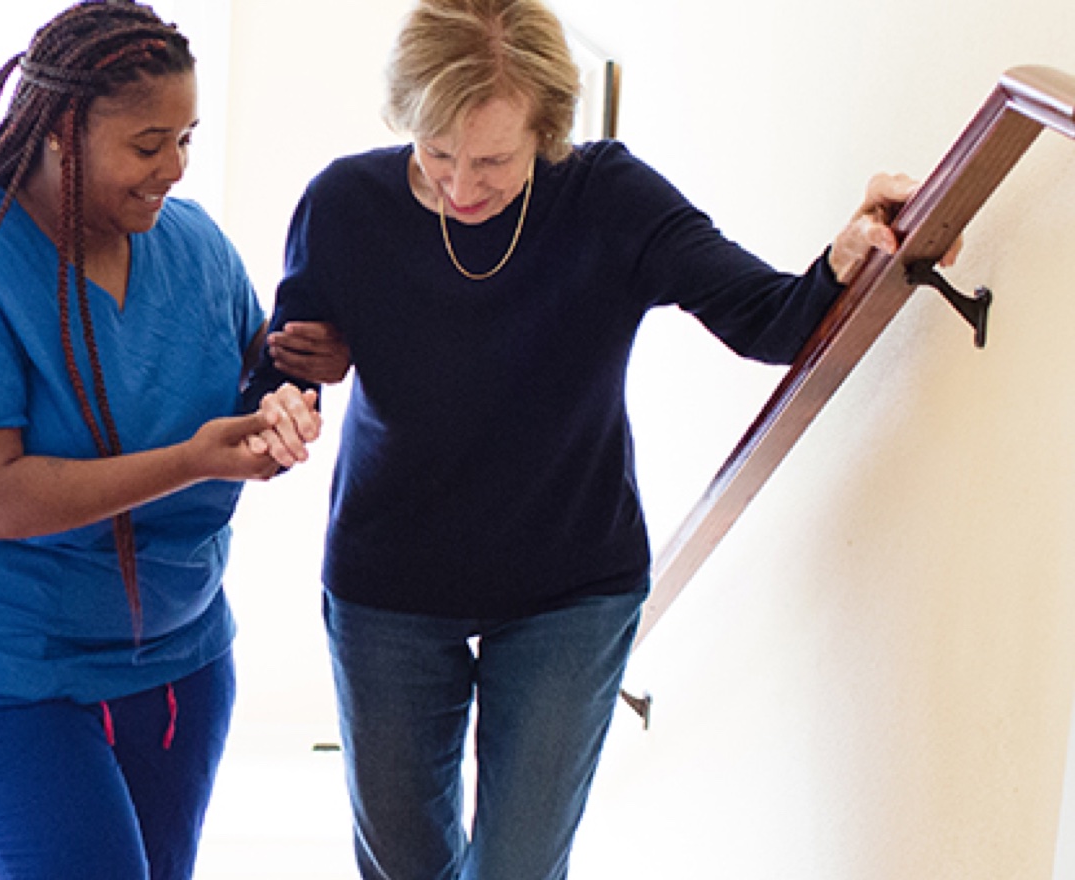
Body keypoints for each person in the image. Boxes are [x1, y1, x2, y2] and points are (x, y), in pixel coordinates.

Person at [243, 0, 957, 877]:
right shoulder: (346, 203)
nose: (463, 187)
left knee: (517, 867)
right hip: (389, 582)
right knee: (401, 865)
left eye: (495, 159)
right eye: (436, 154)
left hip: (569, 585)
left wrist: (854, 254)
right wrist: (281, 408)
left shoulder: (609, 198)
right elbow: (287, 364)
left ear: (548, 131)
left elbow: (769, 320)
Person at [0, 3, 321, 879]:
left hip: (177, 656)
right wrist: (194, 458)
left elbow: (256, 374)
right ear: (64, 132)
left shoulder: (193, 246)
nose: (174, 170)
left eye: (187, 138)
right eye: (148, 146)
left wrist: (293, 399)